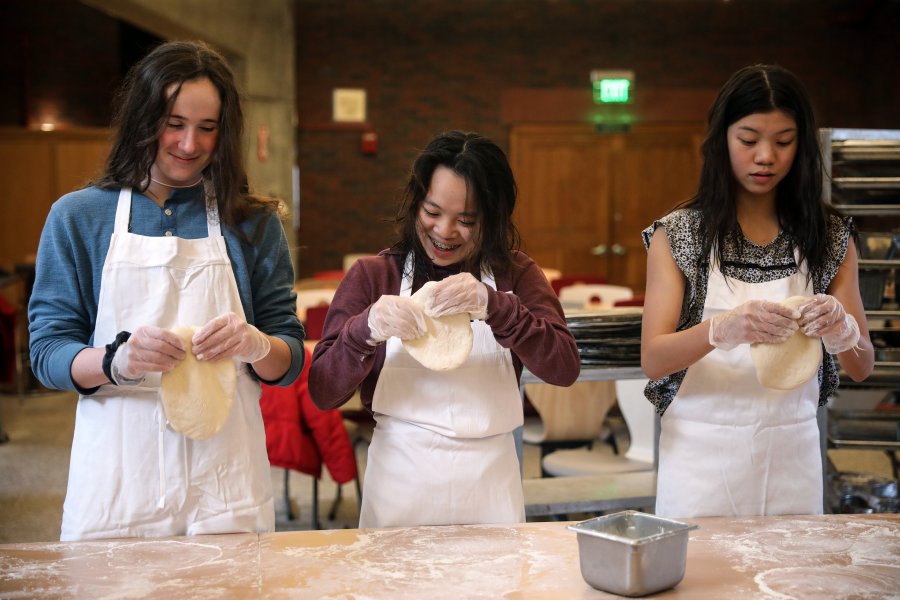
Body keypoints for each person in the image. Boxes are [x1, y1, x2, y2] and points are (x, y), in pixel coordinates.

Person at [28, 40, 305, 541]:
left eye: (207, 128)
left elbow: (288, 362)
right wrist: (118, 361)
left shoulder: (254, 223)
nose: (188, 144)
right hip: (118, 487)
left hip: (226, 489)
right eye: (173, 123)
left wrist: (256, 344)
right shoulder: (78, 217)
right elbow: (47, 353)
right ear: (142, 118)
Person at [308, 131, 580, 528]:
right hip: (401, 485)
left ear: (492, 217)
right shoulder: (375, 276)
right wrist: (363, 330)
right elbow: (323, 391)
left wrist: (497, 307)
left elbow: (564, 367)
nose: (445, 231)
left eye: (466, 220)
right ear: (415, 202)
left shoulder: (515, 274)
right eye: (432, 212)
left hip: (490, 487)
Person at [641, 64, 874, 518]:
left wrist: (842, 331)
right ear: (721, 140)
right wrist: (720, 330)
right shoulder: (681, 235)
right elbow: (653, 358)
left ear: (801, 145)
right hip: (701, 459)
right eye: (748, 140)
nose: (765, 156)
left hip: (791, 453)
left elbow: (861, 367)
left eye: (783, 141)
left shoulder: (829, 238)